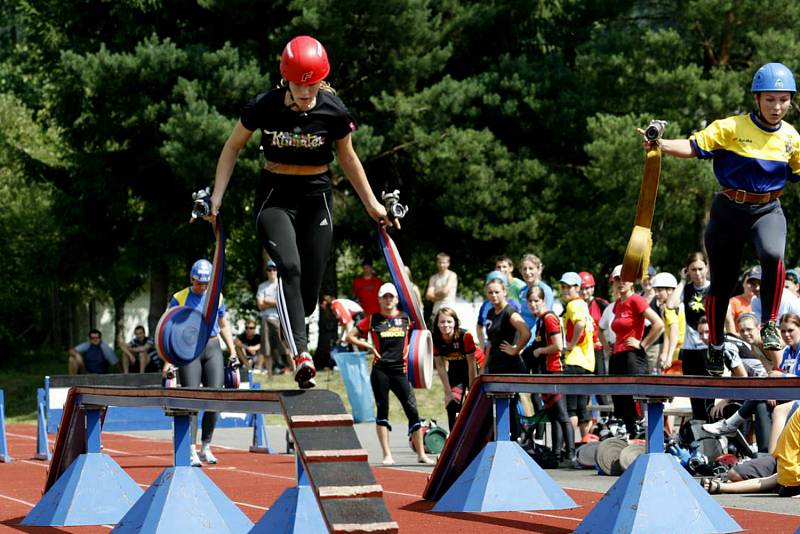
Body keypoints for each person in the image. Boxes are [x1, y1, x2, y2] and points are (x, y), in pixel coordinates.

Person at [208, 35, 393, 389]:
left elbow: (349, 158)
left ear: (321, 82)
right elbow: (232, 147)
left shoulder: (334, 111)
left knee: (308, 295)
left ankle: (292, 328)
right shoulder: (264, 106)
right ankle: (302, 356)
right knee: (288, 268)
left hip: (316, 198)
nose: (306, 96)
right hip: (275, 197)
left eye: (312, 89)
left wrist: (372, 204)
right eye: (299, 88)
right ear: (286, 81)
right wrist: (216, 198)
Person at [642, 63, 800, 367]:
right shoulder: (731, 127)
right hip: (729, 210)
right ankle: (715, 341)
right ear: (757, 99)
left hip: (767, 209)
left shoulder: (792, 138)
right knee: (723, 283)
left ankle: (769, 324)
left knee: (772, 254)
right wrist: (659, 144)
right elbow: (692, 147)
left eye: (783, 99)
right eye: (770, 99)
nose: (777, 106)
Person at [346, 283, 433, 465]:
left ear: (396, 299)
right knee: (383, 411)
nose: (388, 300)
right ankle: (387, 455)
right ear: (379, 299)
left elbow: (421, 336)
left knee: (413, 412)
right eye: (384, 297)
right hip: (380, 371)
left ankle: (421, 455)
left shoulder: (407, 318)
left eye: (391, 297)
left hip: (401, 371)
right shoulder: (373, 319)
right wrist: (368, 346)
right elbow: (350, 336)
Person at [167, 259, 238, 466]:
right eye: (199, 283)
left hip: (213, 347)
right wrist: (169, 358)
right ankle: (189, 448)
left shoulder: (217, 296)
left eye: (206, 284)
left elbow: (223, 324)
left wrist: (232, 350)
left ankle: (206, 445)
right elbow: (167, 327)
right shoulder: (179, 298)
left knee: (214, 397)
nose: (202, 287)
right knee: (192, 399)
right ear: (192, 279)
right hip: (190, 350)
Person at [608, 264, 664, 437]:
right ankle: (630, 437)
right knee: (621, 400)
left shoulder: (636, 300)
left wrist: (643, 344)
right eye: (617, 279)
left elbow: (659, 324)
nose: (620, 282)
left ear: (632, 281)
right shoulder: (618, 304)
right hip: (618, 356)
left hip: (633, 356)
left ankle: (643, 438)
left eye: (624, 278)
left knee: (635, 400)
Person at [527, 286, 575, 467]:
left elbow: (558, 345)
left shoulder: (548, 318)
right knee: (554, 415)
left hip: (555, 371)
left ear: (543, 301)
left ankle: (571, 455)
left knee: (562, 415)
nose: (533, 304)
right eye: (530, 301)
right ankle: (556, 455)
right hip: (546, 373)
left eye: (536, 301)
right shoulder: (540, 320)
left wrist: (539, 351)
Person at [559, 271, 596, 438]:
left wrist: (570, 345)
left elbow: (580, 324)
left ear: (577, 288)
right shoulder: (583, 305)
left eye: (569, 287)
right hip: (587, 362)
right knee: (583, 409)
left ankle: (570, 448)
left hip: (574, 361)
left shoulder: (574, 305)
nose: (566, 290)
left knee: (571, 409)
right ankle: (584, 445)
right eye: (563, 287)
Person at [432, 307, 477, 430]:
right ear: (437, 324)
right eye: (442, 322)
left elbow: (471, 364)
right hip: (455, 371)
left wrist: (472, 387)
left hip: (473, 369)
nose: (445, 325)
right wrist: (447, 392)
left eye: (449, 321)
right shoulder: (435, 338)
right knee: (452, 404)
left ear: (455, 323)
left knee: (474, 404)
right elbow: (440, 366)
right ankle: (454, 439)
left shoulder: (465, 336)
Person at [256, 260, 290, 375]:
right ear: (266, 271)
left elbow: (283, 303)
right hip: (265, 319)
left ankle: (294, 369)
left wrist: (267, 301)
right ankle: (269, 374)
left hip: (279, 320)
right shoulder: (262, 286)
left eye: (274, 269)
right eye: (269, 269)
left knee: (285, 347)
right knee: (267, 349)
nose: (272, 272)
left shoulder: (281, 285)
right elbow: (260, 305)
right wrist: (274, 302)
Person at [650, 272, 685, 372]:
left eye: (660, 290)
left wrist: (668, 355)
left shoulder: (668, 308)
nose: (656, 294)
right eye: (655, 290)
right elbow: (667, 332)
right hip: (680, 350)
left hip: (678, 352)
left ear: (670, 290)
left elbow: (674, 331)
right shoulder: (679, 305)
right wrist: (664, 352)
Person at [425, 252, 458, 322]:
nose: (441, 265)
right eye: (439, 262)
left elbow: (445, 292)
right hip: (436, 310)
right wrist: (441, 295)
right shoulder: (433, 278)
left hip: (449, 309)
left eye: (444, 262)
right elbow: (428, 295)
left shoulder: (452, 275)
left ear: (448, 263)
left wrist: (434, 296)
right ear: (437, 263)